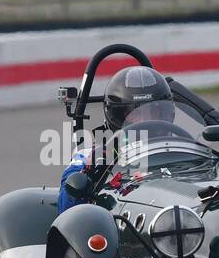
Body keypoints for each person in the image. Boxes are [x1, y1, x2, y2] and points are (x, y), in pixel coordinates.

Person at [58, 65, 176, 212]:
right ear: (117, 115)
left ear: (166, 112)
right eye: (135, 113)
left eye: (153, 112)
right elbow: (66, 208)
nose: (145, 120)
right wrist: (89, 173)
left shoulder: (182, 148)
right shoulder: (90, 157)